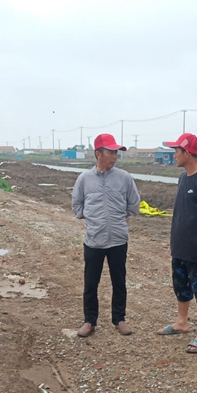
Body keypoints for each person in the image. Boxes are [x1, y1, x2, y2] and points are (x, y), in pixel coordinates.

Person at [72, 133, 141, 338]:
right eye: (110, 152)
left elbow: (133, 204)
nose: (114, 156)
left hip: (118, 240)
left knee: (119, 282)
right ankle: (89, 321)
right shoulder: (84, 179)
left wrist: (118, 218)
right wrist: (94, 219)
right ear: (98, 154)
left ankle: (119, 319)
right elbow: (77, 205)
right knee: (90, 283)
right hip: (93, 240)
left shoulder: (124, 178)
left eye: (116, 152)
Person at [156, 133, 197, 354]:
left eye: (177, 151)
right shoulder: (184, 178)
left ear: (187, 153)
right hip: (180, 247)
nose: (174, 155)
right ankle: (181, 322)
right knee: (180, 286)